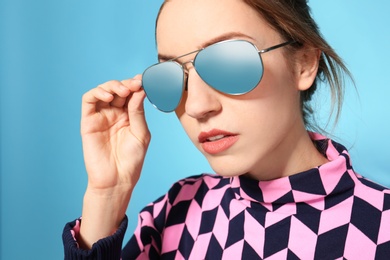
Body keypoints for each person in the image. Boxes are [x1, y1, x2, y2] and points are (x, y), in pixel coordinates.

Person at [63, 0, 390, 259]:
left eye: (230, 61)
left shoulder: (381, 228)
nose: (196, 106)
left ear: (303, 63)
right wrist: (107, 196)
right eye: (170, 76)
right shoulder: (178, 210)